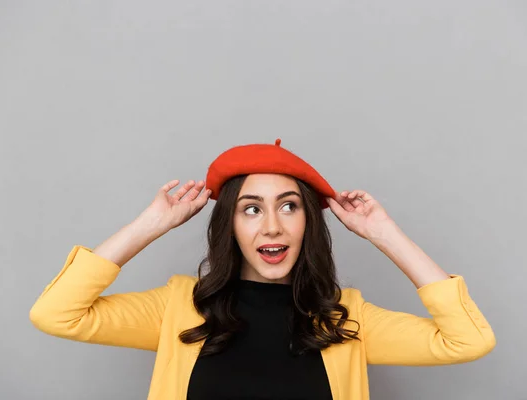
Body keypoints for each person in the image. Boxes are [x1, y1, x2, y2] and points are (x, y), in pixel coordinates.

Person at [30, 138, 496, 400]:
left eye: (288, 207)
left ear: (307, 222)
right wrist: (150, 225)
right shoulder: (178, 308)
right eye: (251, 210)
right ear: (229, 224)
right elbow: (57, 314)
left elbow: (467, 340)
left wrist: (384, 233)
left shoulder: (344, 320)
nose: (272, 226)